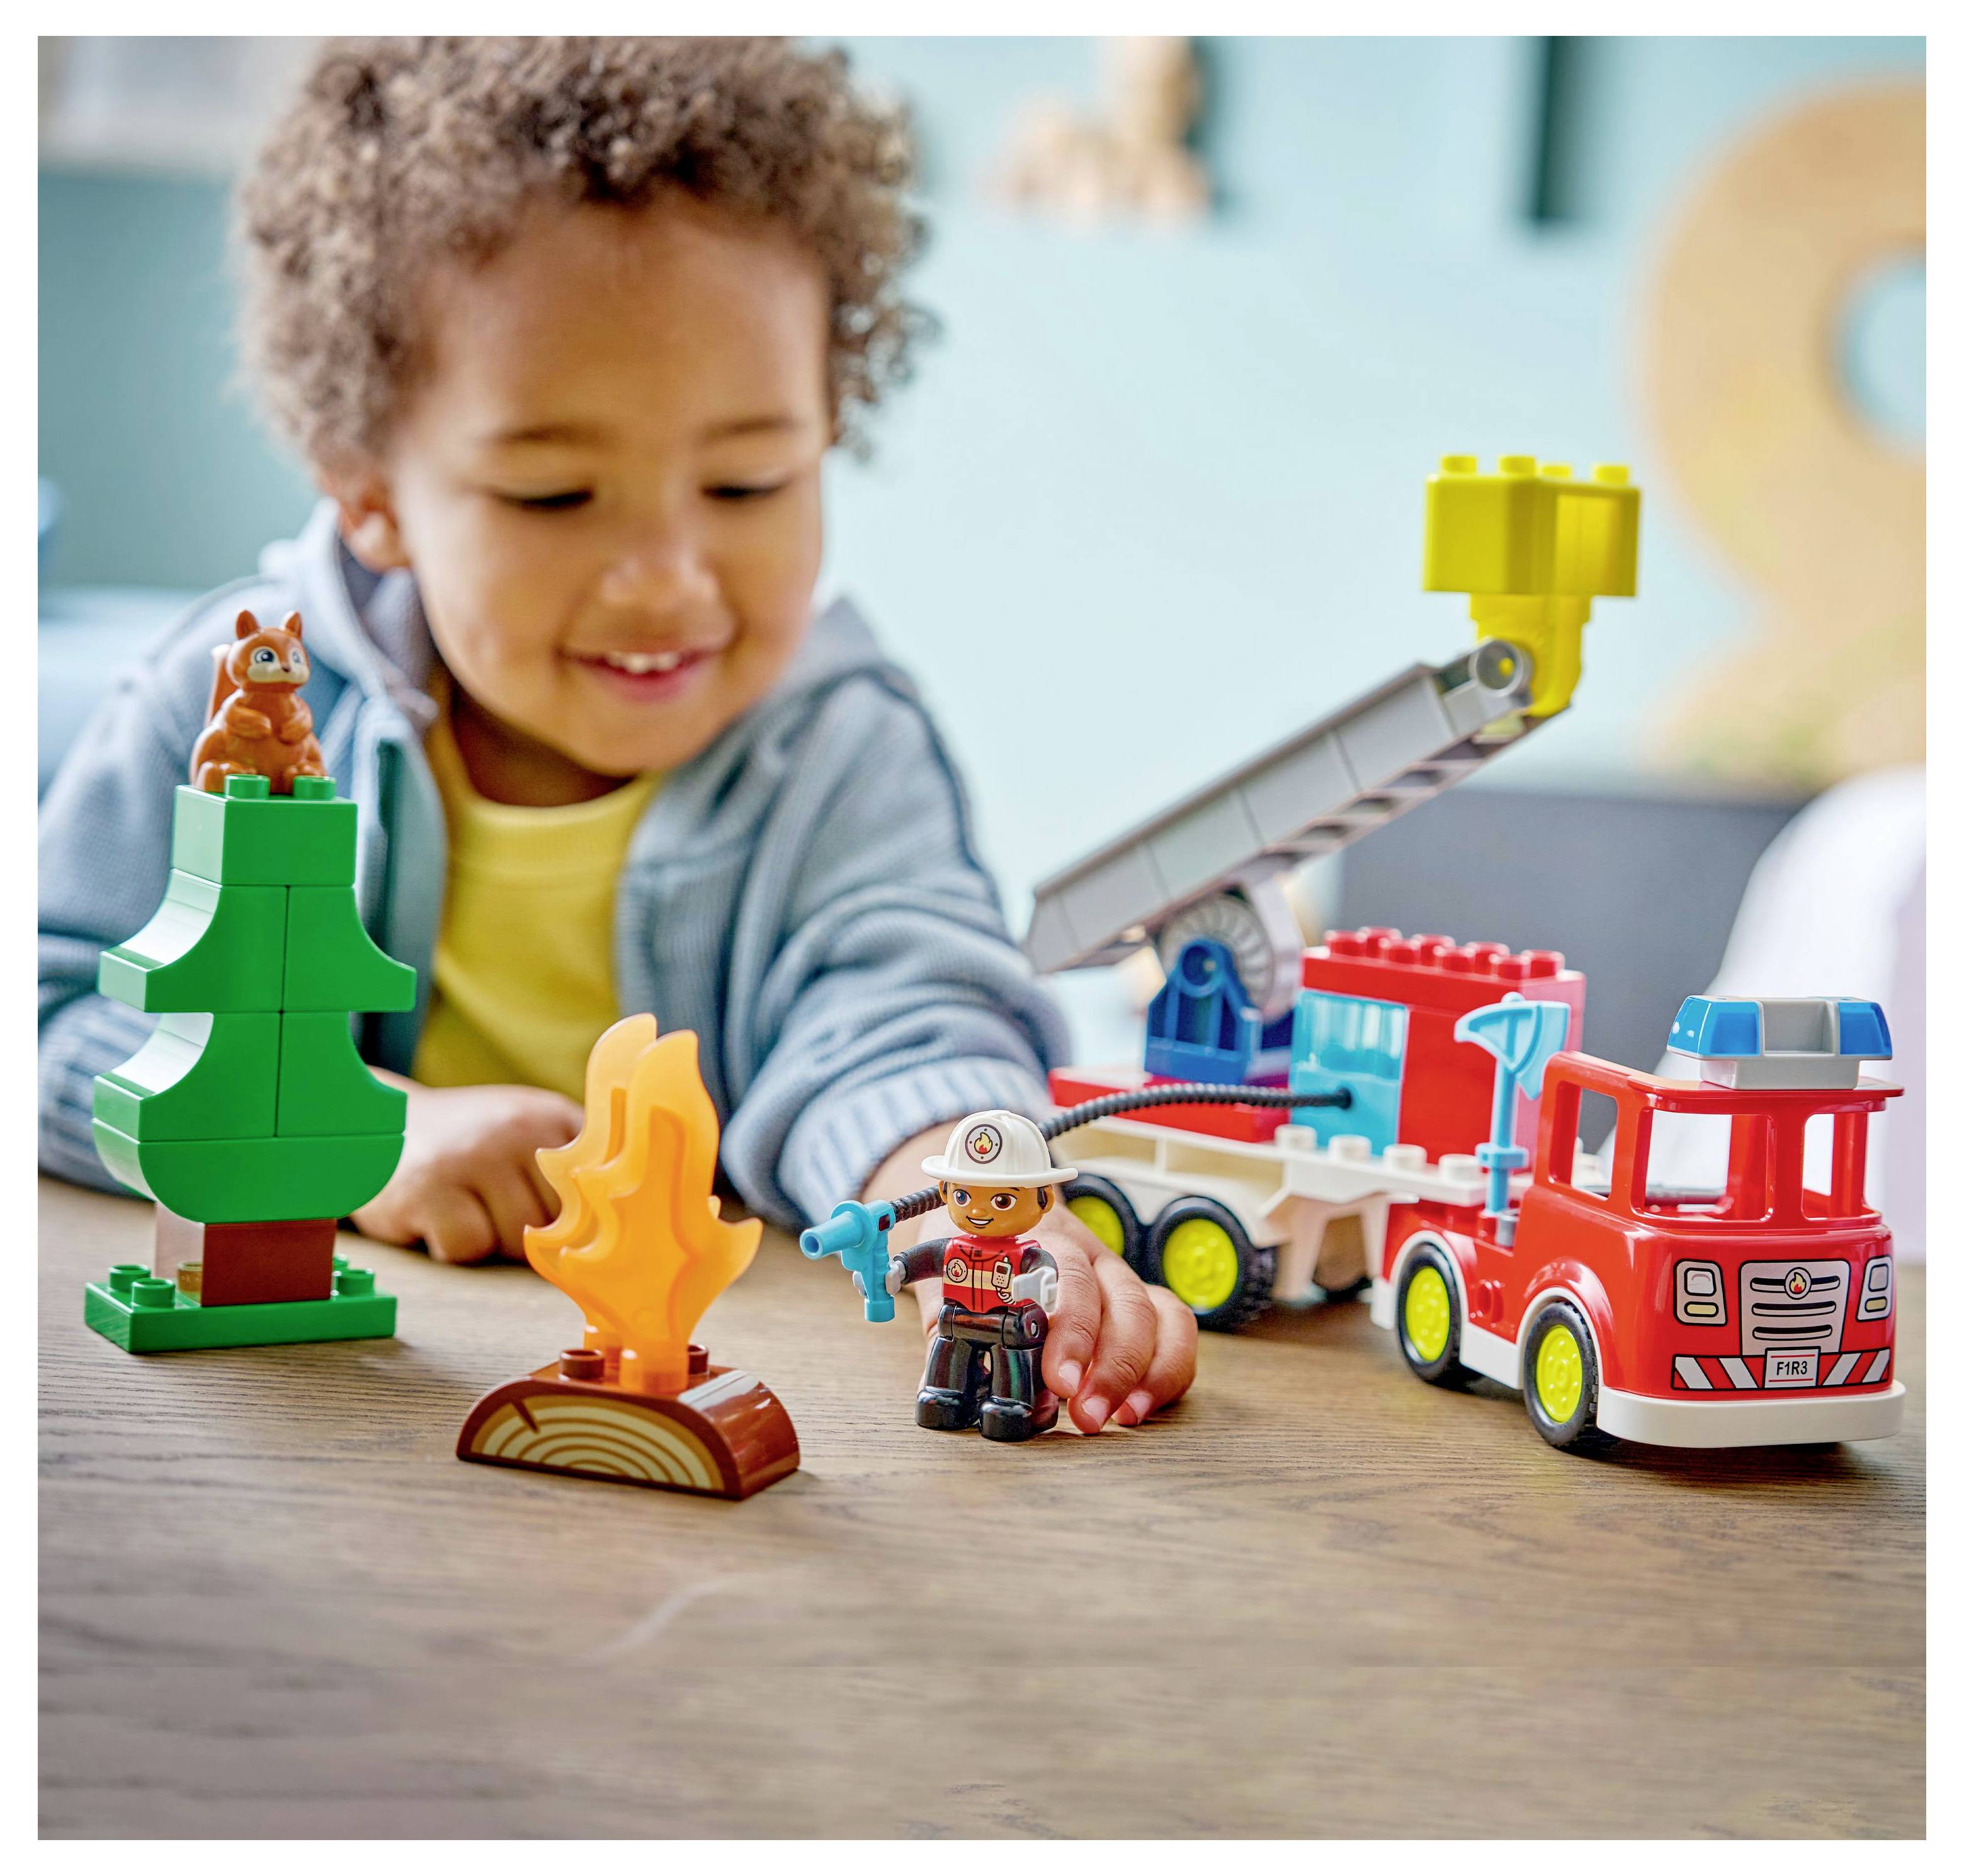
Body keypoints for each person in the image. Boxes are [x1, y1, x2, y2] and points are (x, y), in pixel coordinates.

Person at [37, 37, 1196, 1436]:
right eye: (553, 493)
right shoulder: (236, 709)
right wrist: (357, 1132)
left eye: (748, 478)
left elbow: (898, 1023)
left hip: (698, 1395)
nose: (666, 577)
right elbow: (47, 1007)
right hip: (315, 1408)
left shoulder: (839, 748)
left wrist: (971, 1220)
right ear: (370, 493)